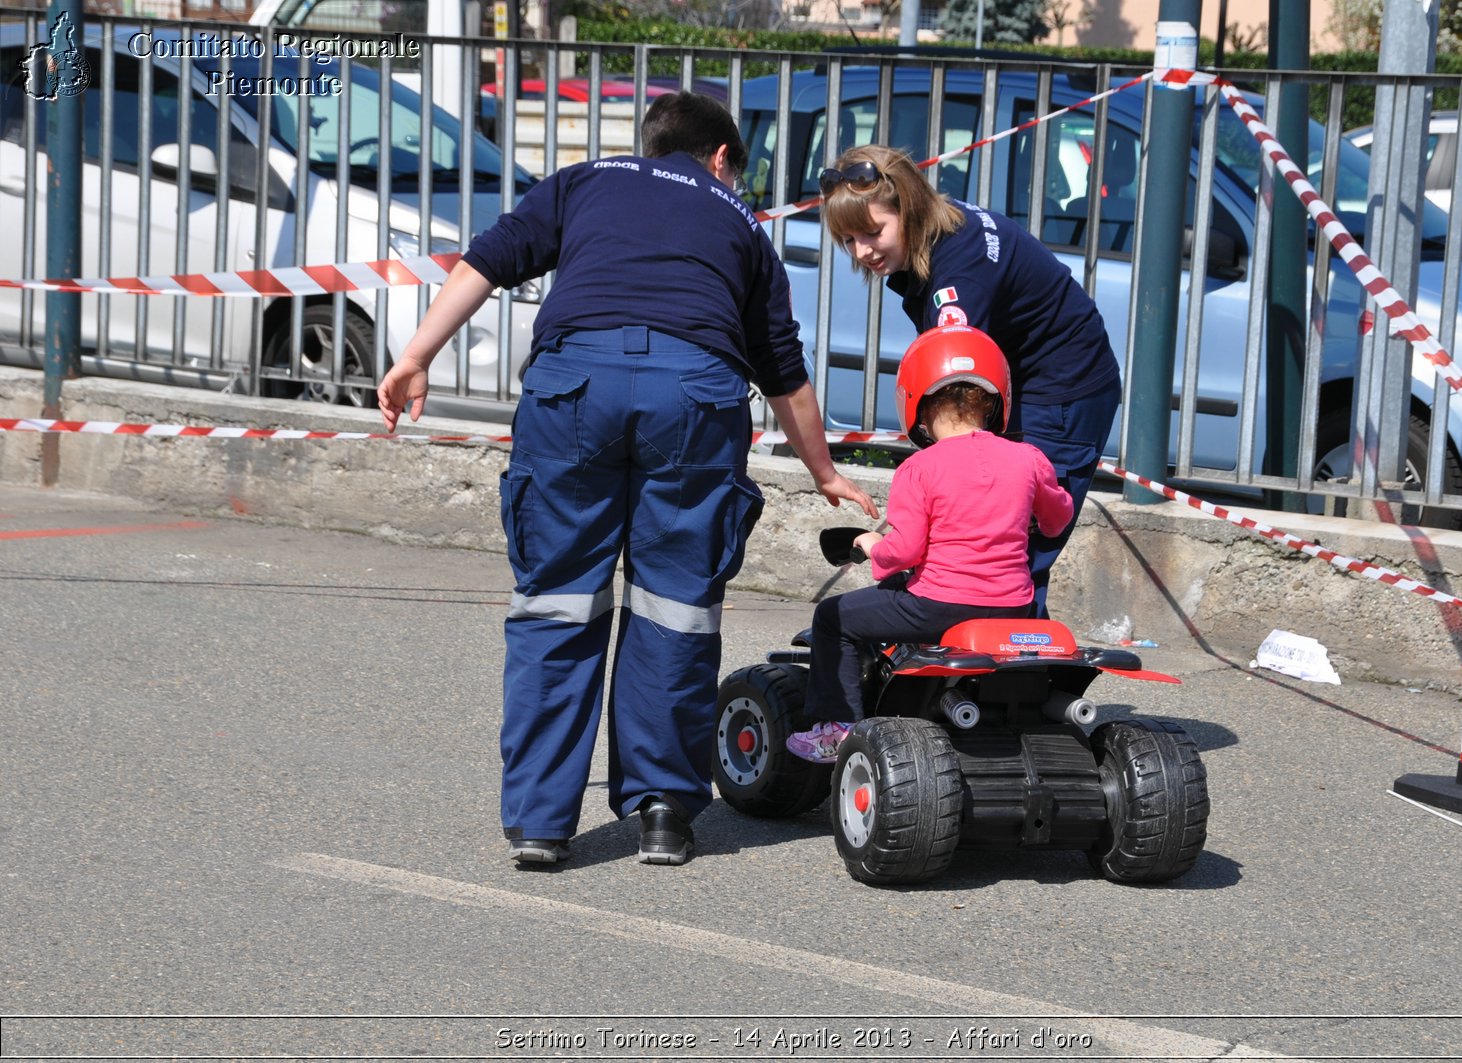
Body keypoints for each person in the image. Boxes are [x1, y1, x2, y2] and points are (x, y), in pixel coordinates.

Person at [377, 92, 878, 867]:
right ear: (720, 159)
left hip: (573, 387)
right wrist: (824, 473)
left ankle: (542, 822)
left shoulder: (583, 181)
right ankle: (662, 812)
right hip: (695, 395)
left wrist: (416, 356)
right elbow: (783, 365)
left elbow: (490, 257)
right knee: (673, 608)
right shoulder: (742, 222)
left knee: (556, 602)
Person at [818, 144, 1121, 617]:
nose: (862, 252)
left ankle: (1005, 679)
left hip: (1063, 391)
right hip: (1023, 375)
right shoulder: (941, 225)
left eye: (873, 232)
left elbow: (954, 392)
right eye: (849, 240)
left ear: (909, 205)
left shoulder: (957, 284)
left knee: (1011, 556)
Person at [786, 325, 1074, 763]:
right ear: (996, 402)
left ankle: (837, 729)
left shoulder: (919, 468)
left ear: (916, 404)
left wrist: (870, 545)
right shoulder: (1029, 458)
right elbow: (1057, 520)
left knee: (833, 617)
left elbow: (905, 552)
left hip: (938, 605)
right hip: (1015, 605)